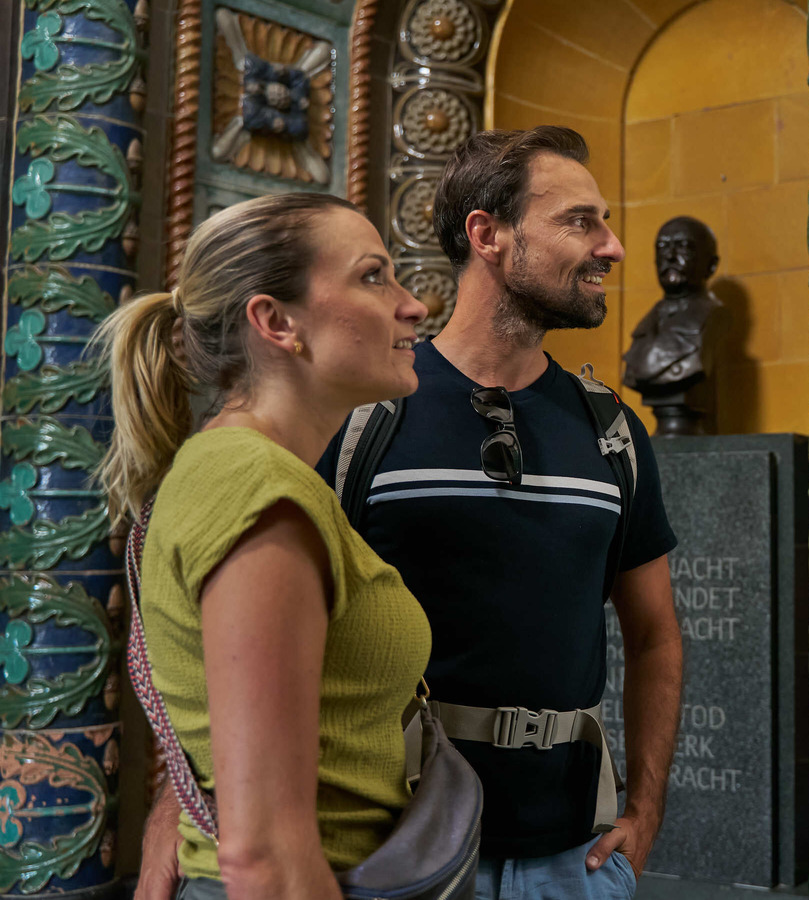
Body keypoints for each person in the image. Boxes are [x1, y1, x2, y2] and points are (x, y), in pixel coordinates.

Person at [321, 126, 682, 898]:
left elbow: (655, 634)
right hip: (396, 848)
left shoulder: (613, 431)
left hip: (575, 861)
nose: (612, 247)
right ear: (488, 234)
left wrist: (647, 811)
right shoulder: (364, 418)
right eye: (580, 221)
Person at [116, 193, 431, 899]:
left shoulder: (258, 473)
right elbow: (266, 857)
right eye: (373, 277)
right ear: (277, 322)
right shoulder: (256, 488)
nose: (412, 305)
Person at [620, 216, 724, 435]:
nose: (670, 255)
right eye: (662, 247)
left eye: (683, 246)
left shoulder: (713, 317)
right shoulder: (647, 322)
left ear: (711, 265)